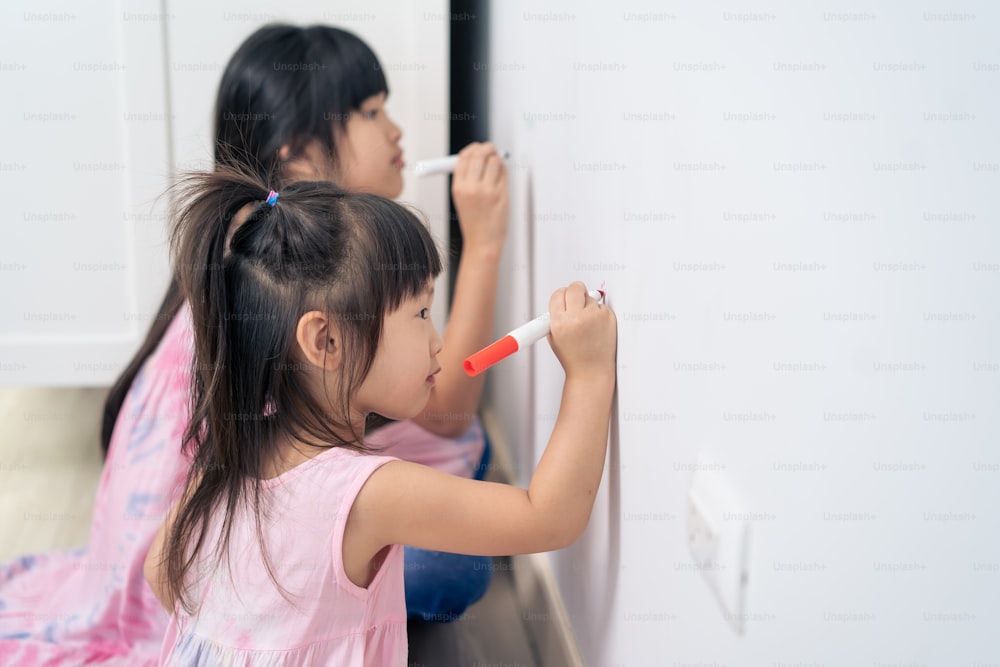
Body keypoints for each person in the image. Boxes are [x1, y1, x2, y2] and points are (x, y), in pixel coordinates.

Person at [0, 23, 506, 665]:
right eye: (373, 112)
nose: (397, 133)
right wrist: (484, 244)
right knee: (456, 555)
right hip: (203, 570)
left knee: (463, 462)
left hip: (187, 553)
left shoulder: (248, 252)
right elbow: (451, 407)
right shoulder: (295, 285)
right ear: (297, 156)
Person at [144, 169, 618, 665]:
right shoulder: (369, 493)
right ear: (326, 341)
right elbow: (549, 519)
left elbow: (160, 572)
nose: (437, 340)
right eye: (420, 314)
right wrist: (587, 374)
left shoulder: (230, 458)